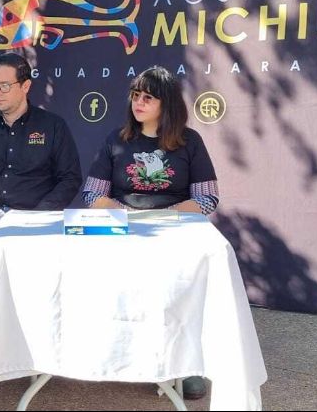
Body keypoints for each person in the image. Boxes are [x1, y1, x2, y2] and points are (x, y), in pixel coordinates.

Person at [82, 65, 219, 399]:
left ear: (166, 103)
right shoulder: (116, 139)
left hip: (173, 232)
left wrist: (164, 216)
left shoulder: (190, 142)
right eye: (135, 96)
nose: (138, 103)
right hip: (123, 230)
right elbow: (92, 194)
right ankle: (116, 352)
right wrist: (126, 215)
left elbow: (207, 197)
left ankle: (186, 367)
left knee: (179, 291)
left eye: (147, 97)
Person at [0, 53, 82, 210]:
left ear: (25, 86)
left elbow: (70, 178)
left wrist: (40, 213)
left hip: (35, 221)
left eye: (4, 86)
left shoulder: (53, 126)